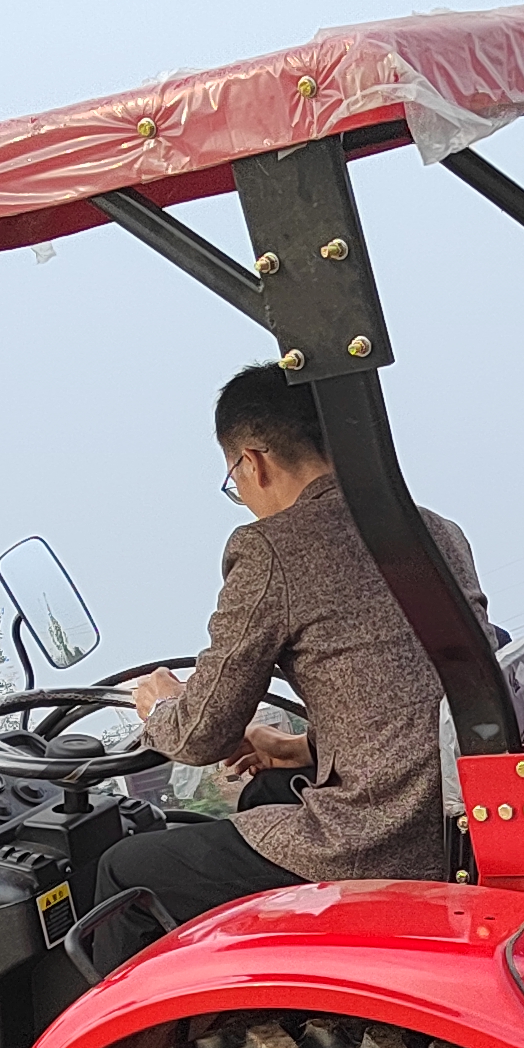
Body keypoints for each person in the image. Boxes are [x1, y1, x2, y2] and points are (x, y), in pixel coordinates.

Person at [100, 365, 493, 924]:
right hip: (455, 814)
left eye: (232, 479)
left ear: (252, 462)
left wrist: (159, 704)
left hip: (383, 839)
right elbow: (416, 690)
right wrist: (302, 748)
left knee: (124, 869)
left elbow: (198, 734)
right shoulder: (435, 529)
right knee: (263, 794)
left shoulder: (272, 548)